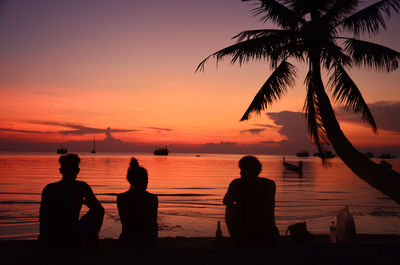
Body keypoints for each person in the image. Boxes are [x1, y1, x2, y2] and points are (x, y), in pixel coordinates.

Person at [37, 154, 104, 251]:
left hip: (48, 237)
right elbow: (97, 208)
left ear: (61, 171)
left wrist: (43, 239)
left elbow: (42, 217)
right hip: (70, 235)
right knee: (99, 211)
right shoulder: (82, 187)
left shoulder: (49, 188)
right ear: (77, 171)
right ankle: (91, 243)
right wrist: (83, 201)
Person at [223, 155, 279, 246]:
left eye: (242, 169)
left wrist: (235, 204)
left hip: (244, 238)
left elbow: (225, 201)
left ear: (248, 170)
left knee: (229, 207)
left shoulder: (237, 183)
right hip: (271, 237)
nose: (240, 173)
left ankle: (238, 234)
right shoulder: (270, 184)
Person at [117, 163, 158, 247]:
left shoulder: (121, 198)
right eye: (145, 179)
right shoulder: (153, 198)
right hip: (147, 241)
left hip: (127, 240)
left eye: (146, 179)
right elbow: (153, 224)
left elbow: (125, 223)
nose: (147, 182)